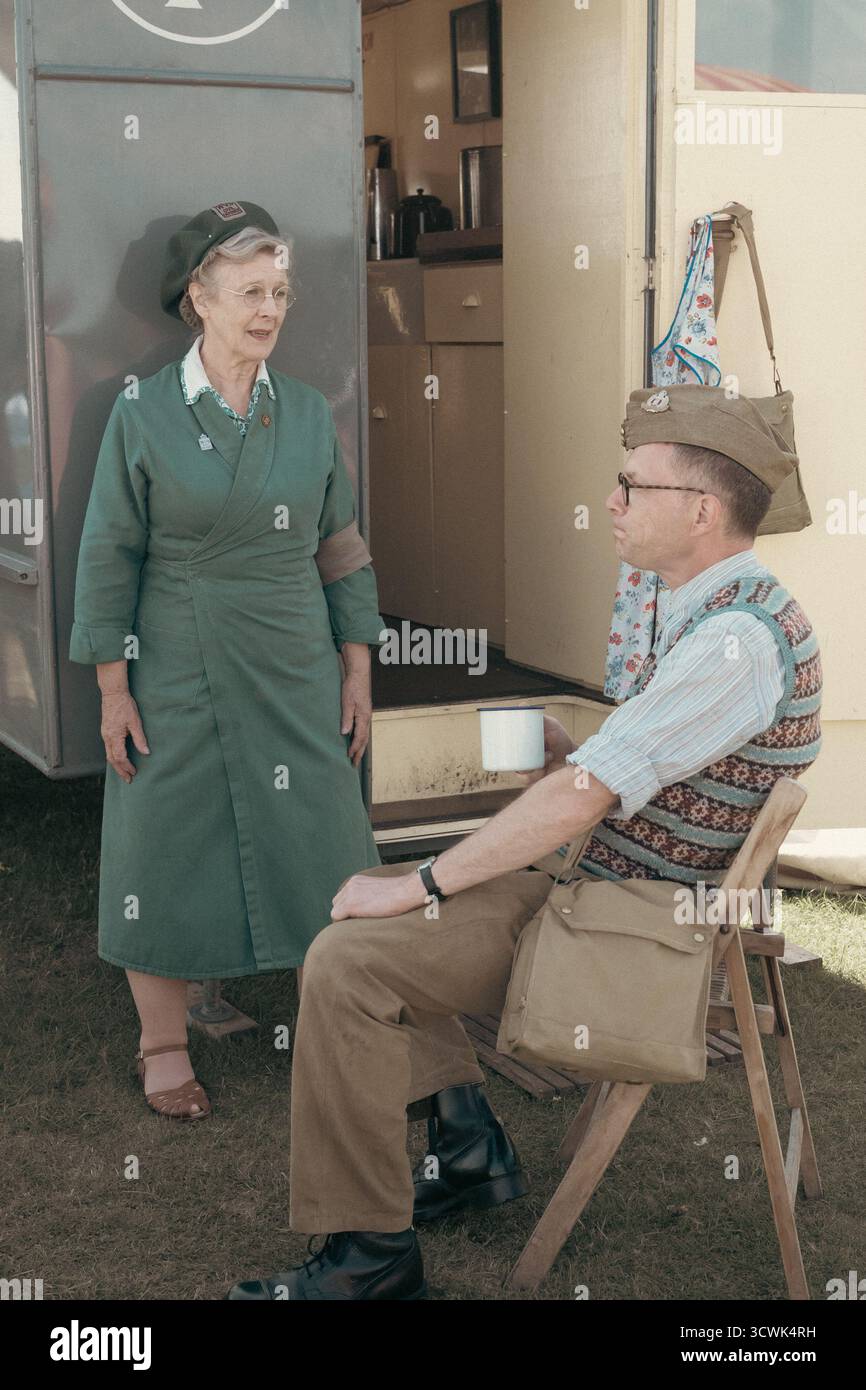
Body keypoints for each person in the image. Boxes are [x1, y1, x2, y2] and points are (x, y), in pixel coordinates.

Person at [226, 383, 822, 1300]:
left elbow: (581, 803)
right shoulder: (734, 608)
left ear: (701, 511)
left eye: (633, 485)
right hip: (628, 904)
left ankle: (369, 1260)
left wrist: (425, 881)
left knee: (351, 958)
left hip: (631, 940)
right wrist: (583, 756)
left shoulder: (732, 641)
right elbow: (631, 776)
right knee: (388, 902)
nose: (612, 502)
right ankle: (466, 1143)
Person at [69, 202, 384, 1120]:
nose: (269, 309)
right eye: (249, 291)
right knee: (162, 838)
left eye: (279, 291)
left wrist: (357, 665)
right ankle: (162, 1046)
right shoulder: (144, 412)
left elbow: (342, 547)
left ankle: (347, 1028)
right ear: (197, 300)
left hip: (294, 658)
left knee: (326, 833)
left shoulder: (309, 415)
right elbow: (107, 551)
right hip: (176, 656)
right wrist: (113, 689)